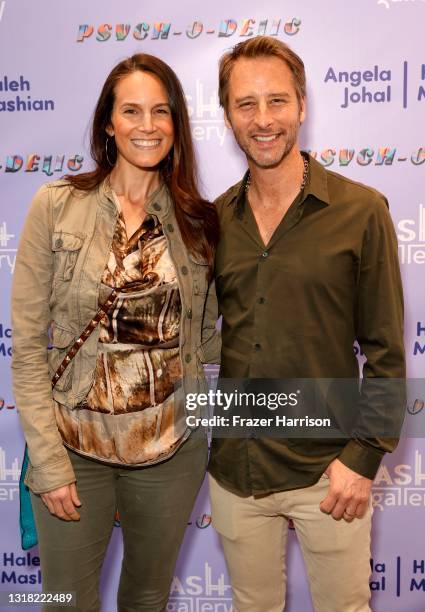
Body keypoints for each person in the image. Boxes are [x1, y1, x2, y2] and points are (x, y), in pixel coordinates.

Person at [11, 53, 220, 612]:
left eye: (160, 111)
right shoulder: (56, 206)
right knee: (63, 602)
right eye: (131, 111)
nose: (146, 125)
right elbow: (28, 348)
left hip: (171, 451)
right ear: (108, 122)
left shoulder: (198, 219)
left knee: (147, 599)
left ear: (176, 124)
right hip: (74, 447)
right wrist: (49, 464)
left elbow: (209, 338)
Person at [208, 37, 405, 612]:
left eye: (277, 101)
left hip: (330, 474)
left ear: (302, 106)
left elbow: (388, 352)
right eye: (246, 104)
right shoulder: (214, 219)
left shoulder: (360, 210)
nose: (263, 120)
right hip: (236, 470)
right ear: (227, 116)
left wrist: (363, 458)